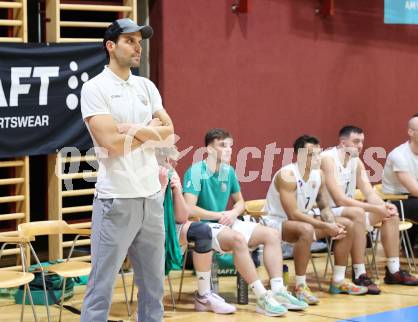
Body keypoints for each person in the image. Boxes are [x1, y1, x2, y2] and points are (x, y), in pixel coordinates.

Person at [80, 18, 174, 322]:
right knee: (101, 288)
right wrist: (149, 131)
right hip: (115, 202)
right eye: (129, 41)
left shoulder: (146, 86)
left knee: (153, 290)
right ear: (111, 46)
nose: (138, 47)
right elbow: (110, 144)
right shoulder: (95, 88)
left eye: (139, 41)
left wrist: (133, 128)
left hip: (151, 199)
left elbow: (170, 133)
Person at [183, 128, 308, 317]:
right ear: (209, 149)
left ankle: (278, 290)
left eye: (230, 146)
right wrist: (219, 215)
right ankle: (262, 296)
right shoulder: (195, 171)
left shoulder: (228, 171)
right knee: (239, 239)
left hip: (226, 221)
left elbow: (241, 202)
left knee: (271, 234)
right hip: (204, 227)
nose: (228, 150)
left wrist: (233, 213)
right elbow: (189, 208)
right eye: (222, 145)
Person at [264, 135, 368, 303]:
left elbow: (324, 206)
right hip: (275, 223)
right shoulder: (287, 175)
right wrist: (325, 226)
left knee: (346, 224)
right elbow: (293, 214)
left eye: (319, 154)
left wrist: (333, 224)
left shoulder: (319, 174)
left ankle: (338, 281)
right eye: (312, 154)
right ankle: (300, 286)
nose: (317, 158)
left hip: (304, 220)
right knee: (306, 229)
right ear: (299, 155)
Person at [321, 126, 418, 292]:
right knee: (358, 213)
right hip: (327, 212)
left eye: (361, 142)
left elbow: (369, 191)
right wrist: (376, 209)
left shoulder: (356, 161)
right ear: (342, 142)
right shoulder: (327, 159)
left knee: (391, 215)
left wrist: (384, 207)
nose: (360, 146)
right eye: (355, 141)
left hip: (347, 211)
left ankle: (393, 270)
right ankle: (359, 273)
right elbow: (340, 199)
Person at [156, 146, 236, 314]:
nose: (174, 164)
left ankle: (204, 295)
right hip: (148, 229)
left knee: (203, 232)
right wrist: (162, 189)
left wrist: (177, 191)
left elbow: (181, 217)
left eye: (174, 161)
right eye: (169, 161)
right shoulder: (144, 176)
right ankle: (151, 298)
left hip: (171, 228)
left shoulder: (171, 174)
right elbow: (149, 213)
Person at [382, 116, 418, 272]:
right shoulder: (399, 155)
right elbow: (415, 189)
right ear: (410, 132)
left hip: (414, 200)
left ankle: (413, 248)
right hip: (394, 202)